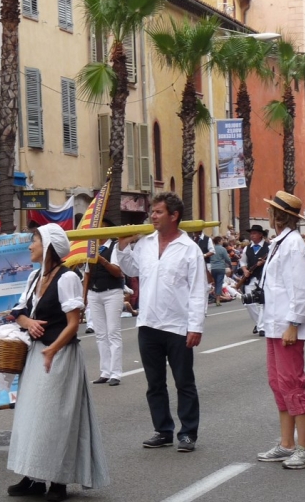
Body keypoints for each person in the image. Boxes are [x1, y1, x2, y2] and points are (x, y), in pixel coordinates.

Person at [7, 223, 109, 500]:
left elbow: (73, 324)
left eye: (34, 241)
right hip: (37, 355)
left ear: (48, 246)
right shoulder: (33, 278)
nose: (30, 246)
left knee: (54, 420)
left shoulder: (67, 279)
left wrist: (52, 350)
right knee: (32, 417)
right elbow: (17, 311)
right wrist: (27, 321)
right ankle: (34, 477)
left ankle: (58, 482)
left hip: (59, 356)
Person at [117, 192, 207, 452]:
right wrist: (123, 246)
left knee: (183, 382)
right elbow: (131, 270)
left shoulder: (189, 250)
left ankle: (188, 433)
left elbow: (197, 291)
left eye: (158, 212)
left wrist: (195, 326)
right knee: (154, 383)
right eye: (152, 212)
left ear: (174, 215)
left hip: (178, 326)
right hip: (148, 323)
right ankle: (163, 430)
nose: (152, 216)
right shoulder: (145, 243)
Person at [256, 191, 305, 470]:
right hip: (274, 323)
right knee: (278, 383)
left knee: (292, 384)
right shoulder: (281, 242)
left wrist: (293, 323)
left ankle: (304, 448)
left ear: (276, 216)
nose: (267, 214)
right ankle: (287, 443)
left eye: (270, 211)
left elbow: (302, 288)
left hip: (286, 325)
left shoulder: (293, 245)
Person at [83, 218, 125, 387]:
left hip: (112, 292)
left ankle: (116, 373)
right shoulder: (91, 247)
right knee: (100, 334)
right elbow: (86, 273)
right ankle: (105, 371)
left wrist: (101, 260)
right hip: (94, 292)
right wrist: (83, 296)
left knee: (113, 332)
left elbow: (117, 272)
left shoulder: (113, 247)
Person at [239, 224, 270, 336]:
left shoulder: (269, 247)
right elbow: (242, 262)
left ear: (261, 235)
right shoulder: (247, 248)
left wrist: (264, 263)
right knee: (248, 302)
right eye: (251, 233)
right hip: (250, 278)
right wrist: (245, 270)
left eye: (254, 233)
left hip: (264, 277)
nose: (252, 236)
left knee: (262, 302)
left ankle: (262, 327)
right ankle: (259, 322)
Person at [210, 236, 231, 307]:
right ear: (219, 241)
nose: (222, 241)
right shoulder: (222, 249)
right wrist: (230, 265)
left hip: (212, 268)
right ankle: (218, 299)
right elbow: (227, 258)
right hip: (220, 267)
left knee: (214, 283)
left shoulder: (211, 249)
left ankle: (216, 297)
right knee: (219, 283)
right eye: (221, 240)